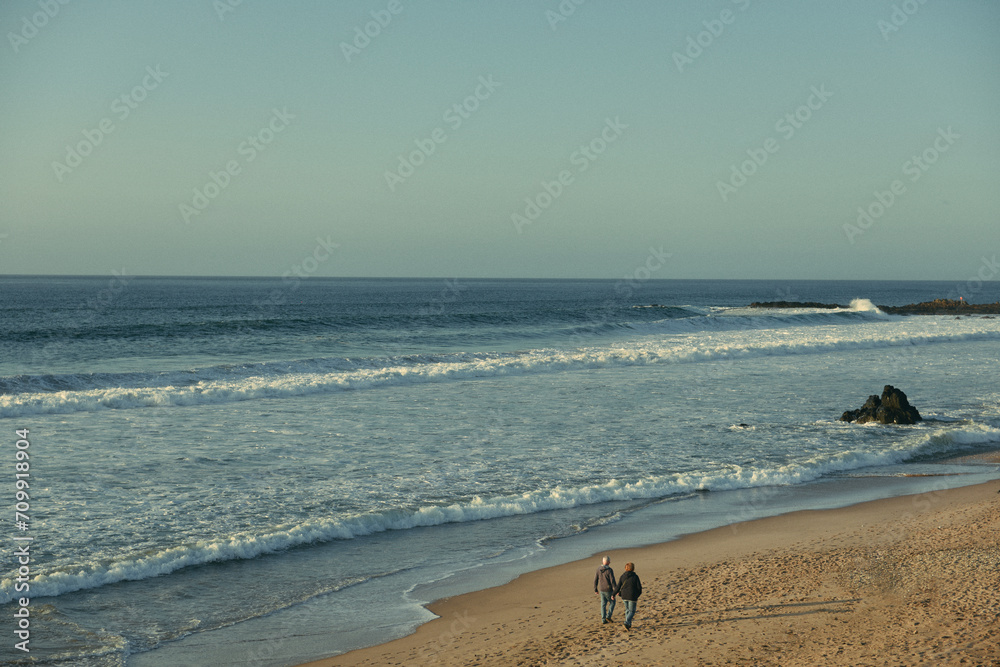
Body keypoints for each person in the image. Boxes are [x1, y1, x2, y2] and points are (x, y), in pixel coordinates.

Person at [614, 561, 642, 630]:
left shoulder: (622, 576)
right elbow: (639, 588)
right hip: (632, 596)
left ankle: (628, 624)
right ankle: (626, 622)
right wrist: (637, 595)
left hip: (624, 596)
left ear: (625, 568)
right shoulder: (635, 577)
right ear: (633, 568)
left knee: (627, 610)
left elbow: (618, 586)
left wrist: (613, 594)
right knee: (632, 611)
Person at [593, 556, 617, 624]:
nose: (610, 562)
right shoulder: (609, 570)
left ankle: (603, 619)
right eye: (609, 561)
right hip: (608, 589)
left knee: (603, 604)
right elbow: (612, 581)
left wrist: (595, 589)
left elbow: (595, 580)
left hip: (601, 589)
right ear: (608, 562)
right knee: (612, 602)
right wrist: (616, 590)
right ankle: (608, 616)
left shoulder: (598, 569)